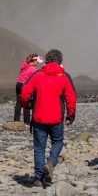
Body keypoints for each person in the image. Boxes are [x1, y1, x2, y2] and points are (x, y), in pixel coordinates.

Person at [20, 49, 76, 187]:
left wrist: (26, 105)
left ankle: (38, 178)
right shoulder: (63, 76)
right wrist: (70, 115)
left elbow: (24, 92)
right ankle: (51, 163)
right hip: (56, 118)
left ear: (46, 60)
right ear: (60, 61)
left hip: (39, 117)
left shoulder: (37, 75)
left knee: (39, 148)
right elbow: (71, 97)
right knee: (57, 142)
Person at [14, 54, 41, 125]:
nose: (37, 63)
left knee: (19, 103)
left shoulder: (24, 64)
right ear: (34, 60)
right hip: (24, 86)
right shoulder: (33, 69)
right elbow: (36, 80)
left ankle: (16, 120)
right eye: (37, 61)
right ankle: (27, 122)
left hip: (18, 84)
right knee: (26, 102)